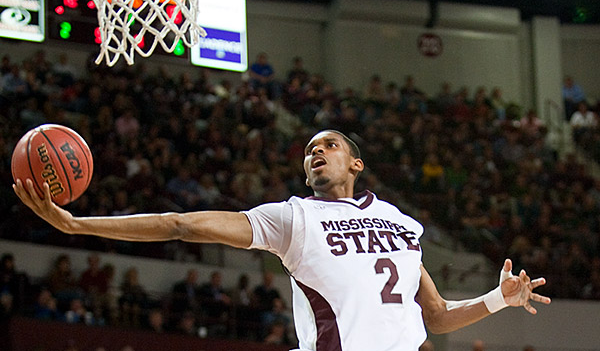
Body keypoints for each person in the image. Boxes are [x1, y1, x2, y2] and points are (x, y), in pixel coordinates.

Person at [13, 129, 551, 351]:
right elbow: (181, 223)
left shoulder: (402, 225)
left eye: (330, 145)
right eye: (309, 149)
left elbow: (433, 315)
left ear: (356, 163)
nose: (316, 152)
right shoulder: (292, 218)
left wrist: (498, 299)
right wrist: (78, 225)